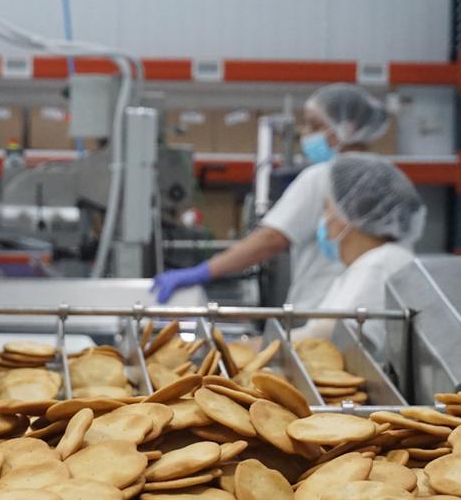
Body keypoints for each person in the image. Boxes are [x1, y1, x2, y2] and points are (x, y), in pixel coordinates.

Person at [152, 84, 392, 308]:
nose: (305, 134)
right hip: (370, 305)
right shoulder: (387, 177)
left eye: (315, 126)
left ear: (346, 129)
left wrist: (201, 272)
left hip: (322, 307)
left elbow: (270, 239)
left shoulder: (324, 177)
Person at [291, 153, 425, 350]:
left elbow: (330, 341)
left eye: (327, 208)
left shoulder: (380, 264)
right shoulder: (368, 263)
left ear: (350, 215)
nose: (324, 220)